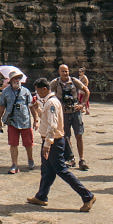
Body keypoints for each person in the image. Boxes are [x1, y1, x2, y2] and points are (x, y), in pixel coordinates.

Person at [26, 78, 97, 211]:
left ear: (45, 89)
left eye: (38, 90)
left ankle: (87, 195)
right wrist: (37, 109)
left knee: (62, 171)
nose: (37, 93)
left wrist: (47, 144)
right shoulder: (48, 102)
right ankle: (41, 196)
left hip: (54, 141)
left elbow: (52, 125)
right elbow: (46, 119)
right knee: (47, 171)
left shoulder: (52, 102)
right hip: (51, 140)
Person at [49, 64, 90, 170]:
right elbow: (47, 93)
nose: (65, 73)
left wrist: (82, 104)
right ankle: (71, 158)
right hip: (63, 113)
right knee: (66, 136)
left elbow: (86, 91)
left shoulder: (74, 81)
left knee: (79, 135)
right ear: (59, 72)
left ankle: (82, 158)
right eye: (63, 71)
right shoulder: (55, 83)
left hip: (75, 111)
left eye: (66, 71)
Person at [0, 67, 35, 174]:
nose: (16, 80)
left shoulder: (26, 91)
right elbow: (1, 106)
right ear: (10, 80)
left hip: (25, 121)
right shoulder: (6, 92)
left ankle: (30, 159)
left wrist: (36, 119)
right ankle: (14, 164)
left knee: (28, 143)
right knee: (13, 144)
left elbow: (31, 106)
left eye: (18, 79)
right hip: (12, 121)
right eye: (14, 79)